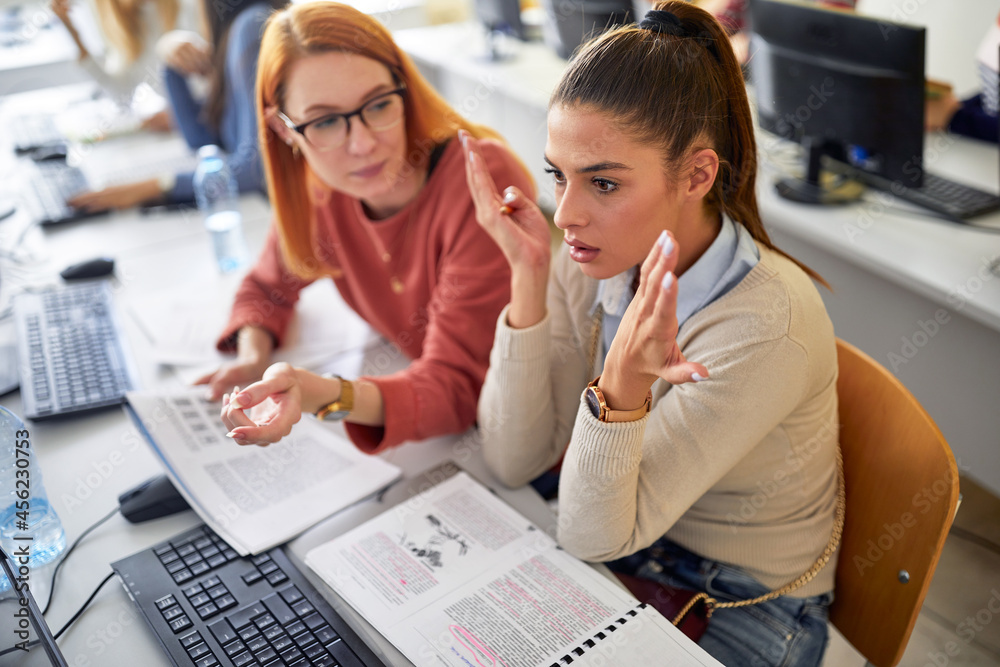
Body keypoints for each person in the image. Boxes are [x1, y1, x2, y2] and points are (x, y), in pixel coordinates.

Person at [466, 3, 840, 666]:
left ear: (697, 175)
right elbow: (512, 459)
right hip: (631, 542)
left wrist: (620, 390)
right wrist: (527, 284)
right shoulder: (597, 253)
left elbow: (589, 534)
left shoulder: (765, 323)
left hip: (738, 598)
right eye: (559, 174)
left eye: (603, 182)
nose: (568, 213)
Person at [208, 2, 534, 454]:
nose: (362, 144)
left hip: (505, 437)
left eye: (378, 104)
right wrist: (252, 356)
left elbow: (459, 387)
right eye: (324, 121)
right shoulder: (322, 187)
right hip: (427, 432)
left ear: (404, 89)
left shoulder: (482, 181)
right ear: (284, 131)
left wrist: (323, 393)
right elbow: (266, 287)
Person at [67, 0, 284, 211]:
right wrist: (169, 59)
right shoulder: (237, 30)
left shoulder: (252, 27)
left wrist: (156, 187)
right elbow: (200, 139)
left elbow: (255, 171)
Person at [50, 0, 197, 128]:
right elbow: (121, 94)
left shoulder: (191, 7)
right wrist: (70, 27)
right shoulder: (132, 31)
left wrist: (179, 116)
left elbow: (211, 84)